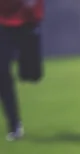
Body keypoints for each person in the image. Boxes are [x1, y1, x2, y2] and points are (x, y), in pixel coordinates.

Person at [0, 0, 44, 142]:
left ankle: (28, 69)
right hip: (2, 23)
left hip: (25, 20)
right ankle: (14, 124)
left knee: (32, 74)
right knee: (2, 74)